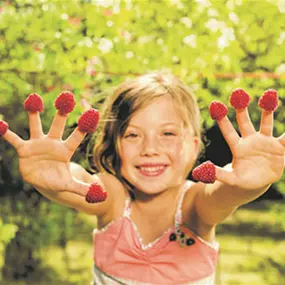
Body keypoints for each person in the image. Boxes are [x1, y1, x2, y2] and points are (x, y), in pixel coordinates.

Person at [1, 72, 284, 285]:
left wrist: (252, 183)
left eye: (168, 134)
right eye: (133, 135)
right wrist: (56, 177)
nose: (150, 149)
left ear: (194, 146)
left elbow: (223, 196)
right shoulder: (114, 200)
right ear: (116, 145)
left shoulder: (195, 207)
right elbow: (81, 184)